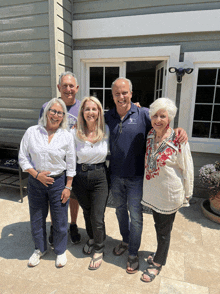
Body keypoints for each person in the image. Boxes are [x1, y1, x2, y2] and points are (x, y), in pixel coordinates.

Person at [105, 77, 188, 274]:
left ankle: (133, 253)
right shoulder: (108, 117)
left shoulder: (143, 114)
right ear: (113, 96)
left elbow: (162, 128)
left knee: (136, 216)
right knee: (118, 211)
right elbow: (89, 125)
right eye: (117, 93)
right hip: (115, 176)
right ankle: (125, 241)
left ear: (131, 94)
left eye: (124, 92)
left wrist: (178, 129)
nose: (121, 96)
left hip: (136, 178)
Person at [140, 98, 194, 282]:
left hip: (170, 194)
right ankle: (158, 255)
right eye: (155, 115)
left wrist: (188, 192)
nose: (158, 119)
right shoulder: (149, 135)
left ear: (169, 117)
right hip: (155, 193)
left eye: (162, 116)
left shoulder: (178, 139)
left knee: (164, 230)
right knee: (159, 226)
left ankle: (158, 263)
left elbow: (187, 167)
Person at [19, 98, 76, 267]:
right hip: (36, 182)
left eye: (60, 113)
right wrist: (36, 175)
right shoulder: (32, 132)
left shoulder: (66, 136)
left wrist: (68, 186)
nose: (55, 115)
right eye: (53, 111)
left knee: (59, 219)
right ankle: (40, 249)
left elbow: (71, 163)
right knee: (37, 218)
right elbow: (23, 157)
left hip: (58, 182)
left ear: (63, 116)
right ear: (46, 112)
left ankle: (60, 250)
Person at [40, 72, 81, 246]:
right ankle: (55, 226)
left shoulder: (83, 107)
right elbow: (41, 134)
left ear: (77, 88)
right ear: (58, 88)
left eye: (71, 85)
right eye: (64, 85)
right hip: (54, 163)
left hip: (75, 161)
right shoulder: (47, 107)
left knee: (73, 196)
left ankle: (72, 224)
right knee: (53, 197)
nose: (68, 89)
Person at [71, 96, 109, 270]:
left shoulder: (106, 129)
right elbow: (69, 156)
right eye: (87, 109)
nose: (91, 112)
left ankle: (99, 249)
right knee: (86, 212)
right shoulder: (74, 132)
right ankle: (92, 239)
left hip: (100, 176)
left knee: (97, 215)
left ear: (99, 112)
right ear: (82, 112)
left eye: (94, 109)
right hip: (80, 176)